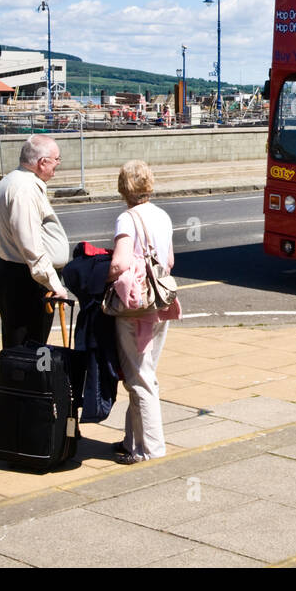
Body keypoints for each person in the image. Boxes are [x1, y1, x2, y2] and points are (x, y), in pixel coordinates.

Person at [108, 160, 181, 463]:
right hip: (159, 302)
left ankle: (150, 450)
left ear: (123, 188)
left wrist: (106, 277)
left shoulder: (127, 219)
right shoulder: (162, 216)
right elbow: (170, 260)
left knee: (139, 378)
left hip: (134, 307)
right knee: (145, 372)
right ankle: (130, 440)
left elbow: (119, 264)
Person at [0, 135, 71, 348]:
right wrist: (54, 284)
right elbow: (31, 247)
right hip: (26, 281)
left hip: (18, 275)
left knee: (20, 349)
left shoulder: (14, 180)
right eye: (56, 159)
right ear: (42, 162)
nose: (58, 164)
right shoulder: (24, 189)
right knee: (27, 351)